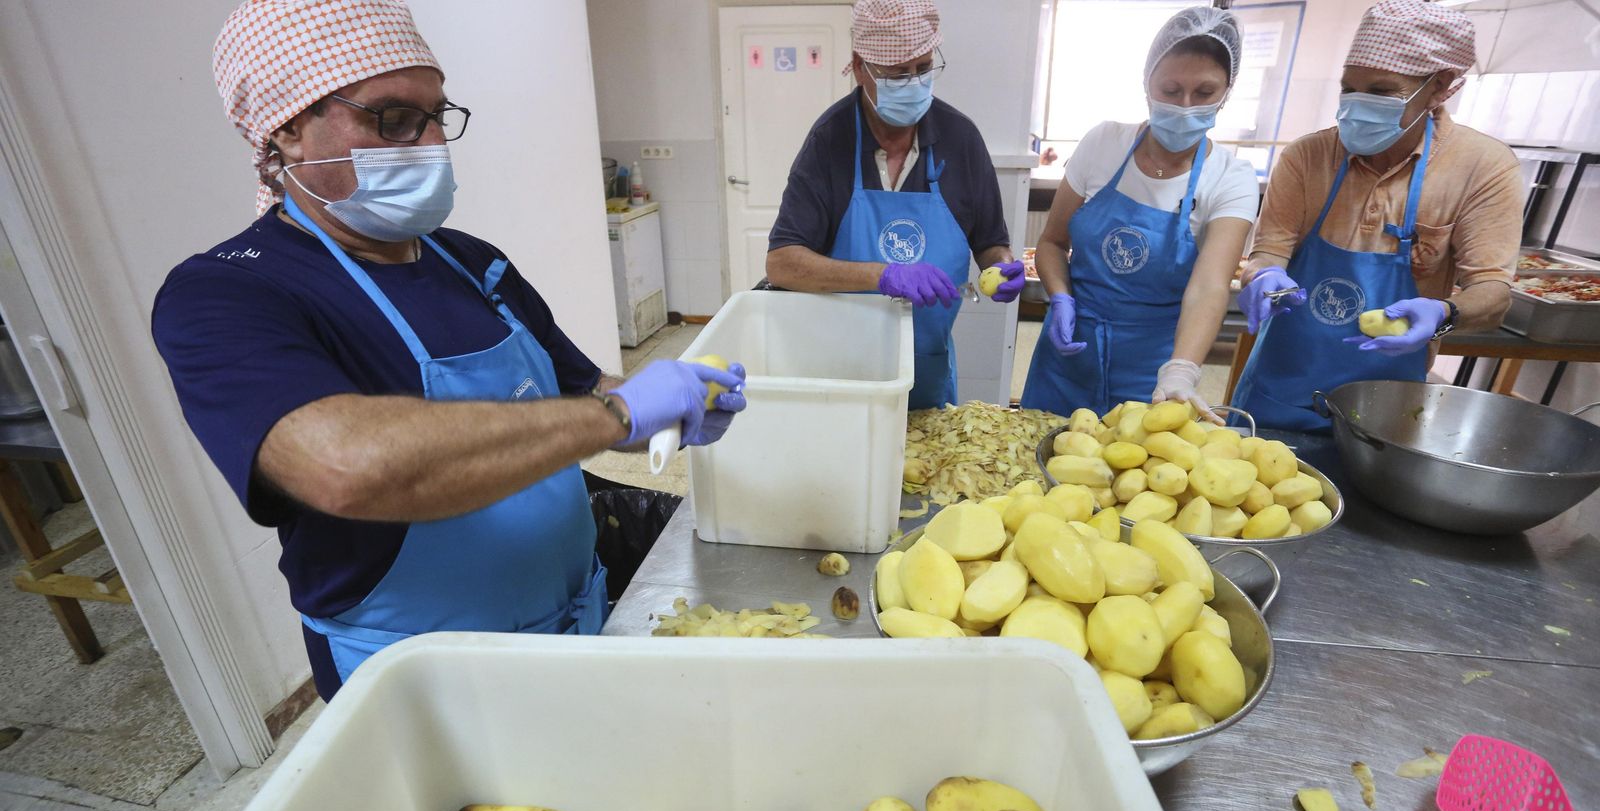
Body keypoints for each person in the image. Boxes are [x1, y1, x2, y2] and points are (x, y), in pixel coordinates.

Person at [153, 0, 745, 699]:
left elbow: (578, 395)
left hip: (577, 622)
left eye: (437, 115)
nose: (431, 142)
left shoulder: (469, 262)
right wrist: (617, 416)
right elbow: (345, 468)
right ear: (287, 130)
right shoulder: (226, 293)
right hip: (424, 675)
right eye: (393, 117)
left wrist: (670, 402)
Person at [1231, 0, 1521, 431]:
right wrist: (1264, 274)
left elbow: (1493, 293)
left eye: (1382, 91)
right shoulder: (1307, 157)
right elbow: (1270, 251)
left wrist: (1443, 313)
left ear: (1439, 86)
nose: (1358, 104)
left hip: (1384, 408)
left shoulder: (1482, 167)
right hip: (1279, 392)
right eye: (1349, 89)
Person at [765, 0, 1023, 409]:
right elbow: (782, 264)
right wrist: (883, 275)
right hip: (842, 372)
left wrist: (1003, 265)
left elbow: (990, 242)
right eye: (897, 73)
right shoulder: (829, 142)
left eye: (923, 68)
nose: (913, 84)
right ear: (860, 66)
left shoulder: (961, 140)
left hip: (928, 367)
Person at [1021, 7, 1257, 419]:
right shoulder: (1103, 144)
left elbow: (1210, 286)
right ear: (1147, 83)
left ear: (1227, 92)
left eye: (1204, 93)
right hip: (1070, 351)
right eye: (1170, 89)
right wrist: (1060, 296)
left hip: (1154, 368)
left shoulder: (1230, 178)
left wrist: (1181, 369)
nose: (1185, 106)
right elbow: (1053, 242)